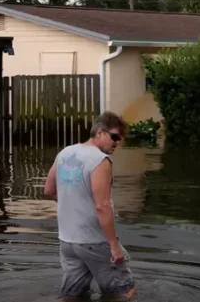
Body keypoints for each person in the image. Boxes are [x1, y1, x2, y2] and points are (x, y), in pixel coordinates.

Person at [44, 111, 136, 301]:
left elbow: (49, 190)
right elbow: (102, 206)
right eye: (115, 137)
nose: (117, 142)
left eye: (120, 139)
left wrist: (73, 207)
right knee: (125, 292)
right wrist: (114, 246)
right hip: (94, 240)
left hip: (68, 241)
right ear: (100, 132)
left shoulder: (65, 153)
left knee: (72, 296)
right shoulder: (100, 161)